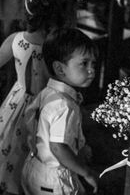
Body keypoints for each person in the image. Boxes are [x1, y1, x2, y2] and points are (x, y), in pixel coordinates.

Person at [0, 0, 82, 195]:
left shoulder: (16, 40)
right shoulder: (62, 46)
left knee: (13, 152)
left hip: (17, 107)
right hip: (49, 112)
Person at [21, 28, 99, 195]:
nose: (92, 70)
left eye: (93, 63)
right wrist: (86, 172)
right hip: (55, 179)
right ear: (60, 69)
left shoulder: (47, 92)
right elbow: (58, 147)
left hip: (34, 166)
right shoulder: (65, 105)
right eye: (84, 63)